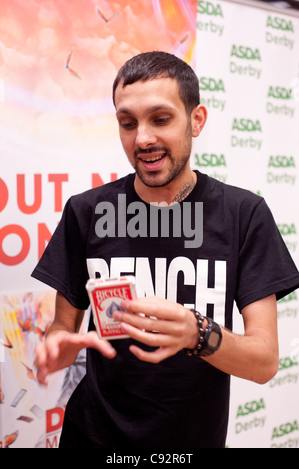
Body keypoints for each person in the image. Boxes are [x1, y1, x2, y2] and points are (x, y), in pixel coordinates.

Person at [32, 51, 299, 448]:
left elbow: (264, 362)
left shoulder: (243, 214)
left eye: (160, 119)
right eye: (127, 123)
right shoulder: (86, 211)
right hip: (91, 437)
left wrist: (198, 333)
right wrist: (56, 347)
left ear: (196, 120)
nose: (142, 139)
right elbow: (64, 328)